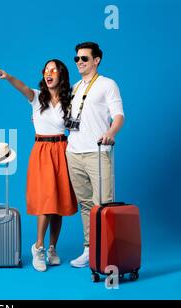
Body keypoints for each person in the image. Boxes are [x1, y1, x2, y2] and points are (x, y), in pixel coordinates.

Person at [0, 60, 78, 272]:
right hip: (42, 150)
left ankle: (52, 248)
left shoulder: (71, 100)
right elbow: (22, 87)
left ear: (61, 75)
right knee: (47, 200)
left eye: (54, 70)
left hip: (62, 150)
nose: (49, 73)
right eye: (46, 70)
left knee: (59, 202)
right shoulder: (36, 97)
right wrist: (8, 76)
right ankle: (38, 247)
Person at [65, 42, 125, 268]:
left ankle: (107, 252)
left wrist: (110, 132)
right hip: (73, 153)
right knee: (86, 205)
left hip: (98, 152)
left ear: (96, 60)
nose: (79, 62)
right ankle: (89, 250)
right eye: (77, 59)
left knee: (104, 204)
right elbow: (67, 118)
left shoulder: (108, 84)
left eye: (84, 58)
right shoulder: (74, 87)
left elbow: (119, 115)